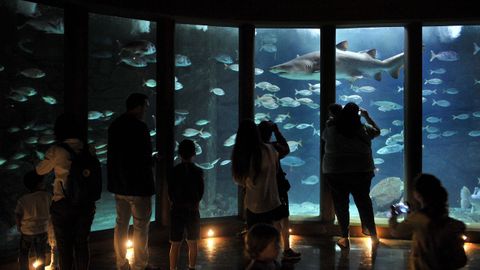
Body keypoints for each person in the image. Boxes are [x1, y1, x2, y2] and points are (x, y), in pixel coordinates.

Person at [36, 113, 97, 270]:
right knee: (82, 244)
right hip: (86, 203)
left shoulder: (56, 150)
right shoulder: (88, 148)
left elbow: (40, 170)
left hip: (63, 203)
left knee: (64, 247)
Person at [322, 102, 381, 249]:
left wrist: (334, 118)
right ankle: (373, 236)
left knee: (341, 204)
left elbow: (324, 136)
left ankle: (344, 237)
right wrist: (367, 116)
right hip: (361, 172)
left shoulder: (331, 129)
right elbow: (378, 131)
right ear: (357, 115)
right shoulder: (364, 129)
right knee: (364, 203)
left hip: (335, 172)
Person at [108, 93, 156, 270]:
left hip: (119, 186)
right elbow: (143, 157)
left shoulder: (114, 126)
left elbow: (112, 158)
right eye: (145, 106)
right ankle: (140, 265)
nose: (145, 110)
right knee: (140, 227)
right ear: (138, 106)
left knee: (121, 225)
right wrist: (153, 161)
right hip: (139, 186)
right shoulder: (140, 128)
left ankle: (121, 263)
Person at [389, 174, 467, 270]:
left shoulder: (417, 219)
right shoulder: (454, 225)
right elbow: (461, 260)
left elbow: (396, 232)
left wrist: (393, 216)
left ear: (417, 195)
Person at [258, 121, 301, 261]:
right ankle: (284, 249)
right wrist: (277, 131)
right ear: (271, 133)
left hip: (260, 190)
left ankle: (264, 250)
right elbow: (286, 149)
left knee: (266, 219)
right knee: (282, 218)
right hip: (277, 188)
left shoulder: (255, 149)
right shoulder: (273, 148)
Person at [232, 119, 282, 230]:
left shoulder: (241, 154)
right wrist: (277, 132)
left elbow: (239, 180)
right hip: (272, 203)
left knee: (255, 240)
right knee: (271, 239)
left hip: (252, 204)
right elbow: (276, 170)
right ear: (256, 132)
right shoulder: (270, 149)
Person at [168, 139, 204, 270]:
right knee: (193, 242)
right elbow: (201, 192)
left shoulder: (174, 171)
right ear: (194, 153)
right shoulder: (198, 171)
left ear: (179, 154)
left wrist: (174, 202)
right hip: (193, 210)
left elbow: (170, 191)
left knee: (175, 243)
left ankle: (173, 268)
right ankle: (192, 267)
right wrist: (195, 202)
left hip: (177, 210)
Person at [15, 170, 51, 270]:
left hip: (27, 231)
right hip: (42, 230)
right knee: (40, 254)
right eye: (43, 181)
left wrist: (19, 226)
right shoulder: (47, 196)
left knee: (23, 253)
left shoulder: (23, 199)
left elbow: (17, 214)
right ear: (39, 184)